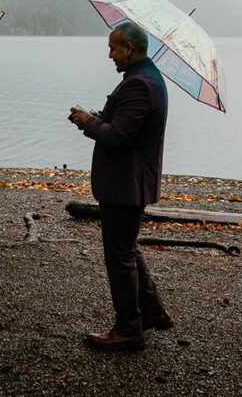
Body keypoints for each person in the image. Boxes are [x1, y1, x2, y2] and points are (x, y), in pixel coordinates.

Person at [69, 22, 173, 350]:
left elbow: (118, 137)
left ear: (129, 48)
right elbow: (126, 125)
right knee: (127, 248)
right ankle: (153, 312)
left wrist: (89, 122)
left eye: (114, 48)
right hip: (130, 182)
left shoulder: (141, 84)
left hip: (125, 184)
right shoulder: (147, 79)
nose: (110, 54)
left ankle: (129, 329)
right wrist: (100, 116)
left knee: (120, 257)